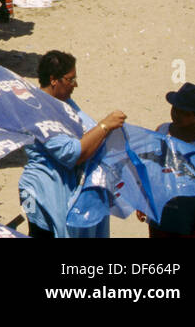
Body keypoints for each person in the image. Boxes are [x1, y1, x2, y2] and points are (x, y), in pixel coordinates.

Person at [18, 50, 127, 238]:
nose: (75, 85)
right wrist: (104, 126)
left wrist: (104, 130)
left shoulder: (64, 102)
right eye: (70, 79)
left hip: (64, 187)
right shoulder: (37, 111)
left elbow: (86, 128)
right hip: (43, 193)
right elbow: (73, 154)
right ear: (54, 80)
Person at [131, 82, 195, 238]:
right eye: (175, 109)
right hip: (159, 215)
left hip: (186, 220)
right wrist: (143, 199)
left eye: (184, 113)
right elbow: (150, 168)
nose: (177, 115)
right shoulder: (162, 131)